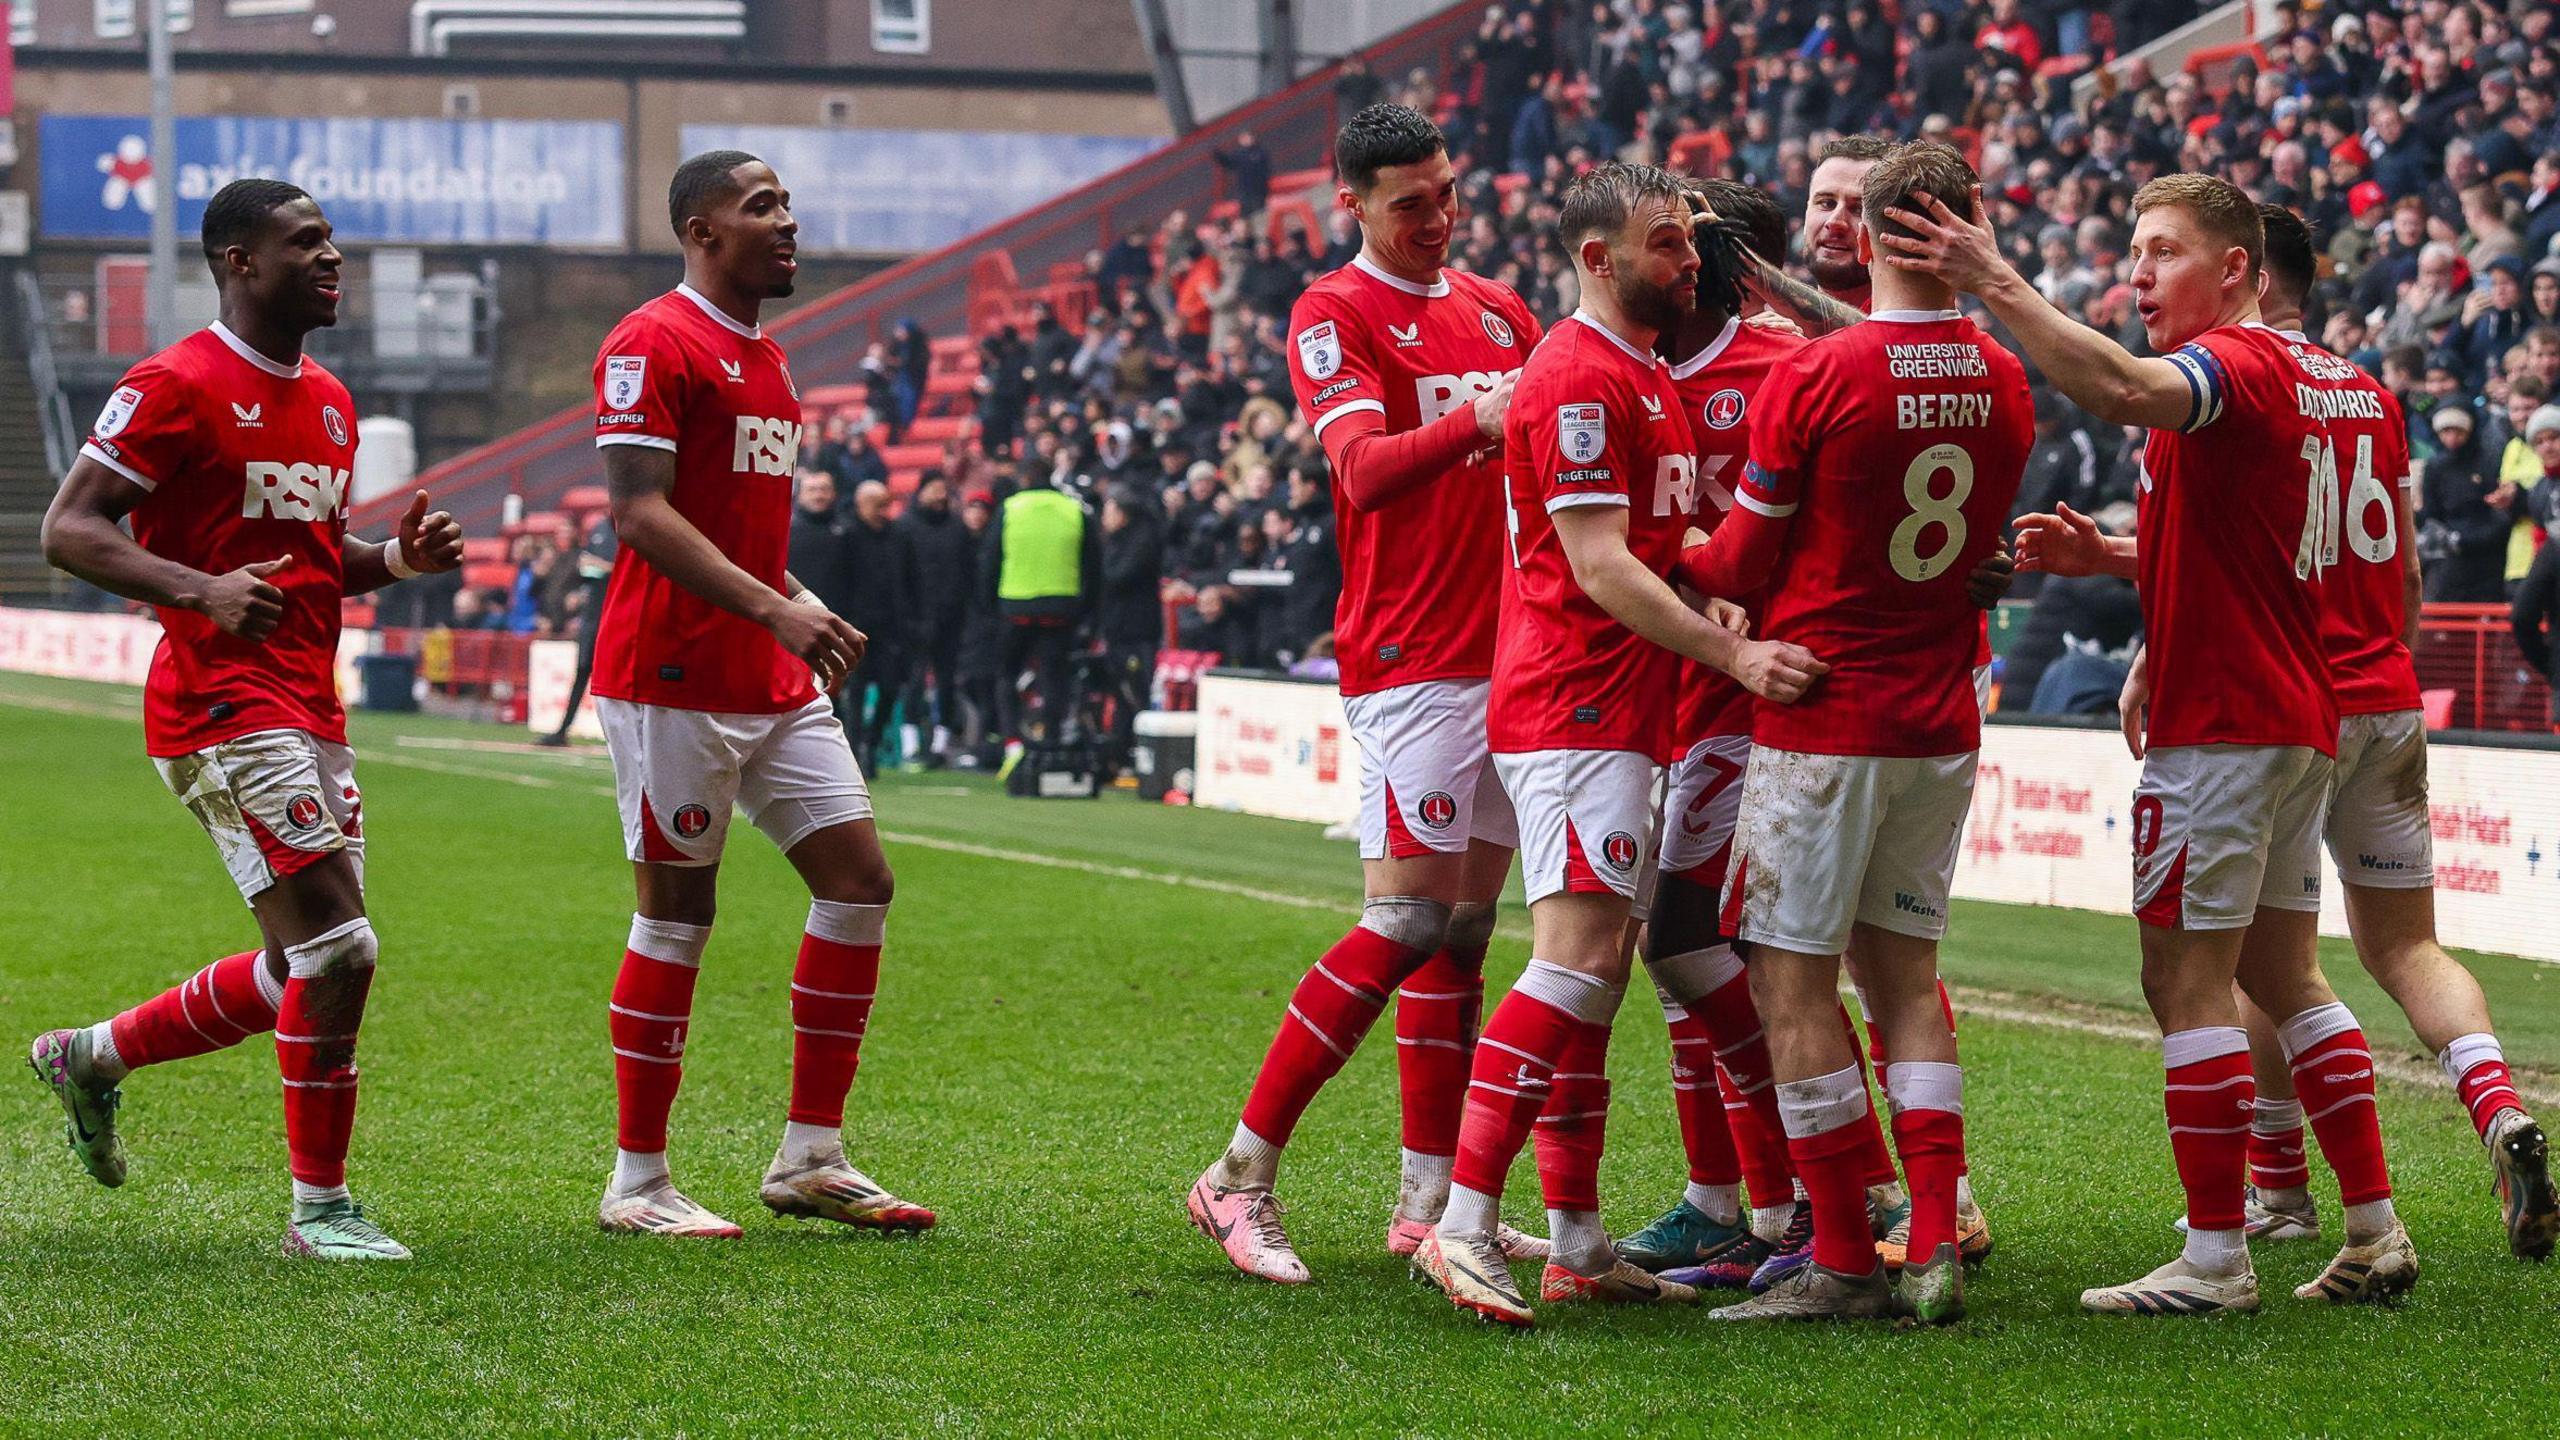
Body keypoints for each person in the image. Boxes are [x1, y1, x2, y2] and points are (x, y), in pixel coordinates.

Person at [1888, 172, 2413, 1313]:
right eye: (2131, 250)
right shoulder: (2262, 385)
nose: (2137, 272)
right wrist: (2115, 559)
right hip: (2287, 720)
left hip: (2221, 728)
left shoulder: (2234, 362)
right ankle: (2373, 1228)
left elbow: (2114, 386)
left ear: (2235, 271)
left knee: (2182, 980)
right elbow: (2241, 547)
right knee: (2281, 975)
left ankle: (2216, 1258)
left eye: (2162, 251)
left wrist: (1991, 279)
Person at [1421, 160, 1826, 1328]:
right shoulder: (1581, 377)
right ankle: (1458, 1226)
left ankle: (1578, 1239)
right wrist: (1732, 653)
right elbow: (1599, 565)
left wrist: (1711, 578)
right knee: (1576, 962)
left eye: (1692, 244)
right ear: (1598, 258)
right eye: (1666, 243)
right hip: (1573, 706)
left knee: (1593, 979)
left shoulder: (1639, 373)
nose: (1689, 261)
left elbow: (1668, 531)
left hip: (1620, 710)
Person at [28, 178, 464, 1260]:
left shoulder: (330, 399)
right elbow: (68, 529)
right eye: (305, 242)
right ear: (237, 260)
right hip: (221, 699)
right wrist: (198, 588)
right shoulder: (173, 382)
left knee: (305, 963)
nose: (332, 259)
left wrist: (398, 561)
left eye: (332, 242)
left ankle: (90, 1056)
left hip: (310, 701)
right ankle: (320, 1214)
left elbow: (314, 566)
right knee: (342, 948)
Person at [1186, 104, 1551, 1287]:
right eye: (1409, 202)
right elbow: (1361, 470)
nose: (1437, 217)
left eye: (1446, 192)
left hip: (1512, 656)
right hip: (1410, 657)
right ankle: (1237, 1176)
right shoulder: (1330, 313)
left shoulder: (1502, 310)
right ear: (1351, 202)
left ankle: (1427, 1204)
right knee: (1401, 921)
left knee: (1463, 937)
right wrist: (1476, 421)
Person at [1689, 142, 2031, 1325]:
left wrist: (1647, 541)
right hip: (1941, 716)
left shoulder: (1816, 379)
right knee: (1908, 983)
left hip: (1826, 713)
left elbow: (1735, 561)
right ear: (1963, 230)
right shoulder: (2004, 375)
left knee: (1790, 989)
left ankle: (1839, 1259)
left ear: (1877, 233)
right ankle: (1930, 1229)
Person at [587, 150, 931, 1239]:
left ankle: (809, 1156)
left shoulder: (770, 362)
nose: (788, 223)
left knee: (859, 881)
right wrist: (776, 610)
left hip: (766, 672)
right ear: (700, 229)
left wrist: (798, 597)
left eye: (786, 204)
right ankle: (637, 1183)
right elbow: (639, 513)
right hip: (671, 677)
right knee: (679, 911)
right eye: (761, 207)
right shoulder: (652, 341)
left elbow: (733, 528)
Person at [2222, 205, 2553, 1261]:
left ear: (2248, 273)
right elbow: (2403, 568)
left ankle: (2282, 1191)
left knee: (2257, 961)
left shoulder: (2242, 384)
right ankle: (2498, 1107)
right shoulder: (2369, 392)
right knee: (2407, 942)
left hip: (2292, 702)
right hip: (2387, 692)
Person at [980, 473, 1100, 752]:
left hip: (1014, 604)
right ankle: (1052, 739)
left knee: (1007, 673)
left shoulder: (1011, 508)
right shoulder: (1073, 509)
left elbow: (990, 559)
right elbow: (1092, 566)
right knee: (1053, 676)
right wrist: (1084, 611)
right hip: (1060, 607)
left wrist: (990, 607)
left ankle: (1012, 740)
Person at [895, 470, 975, 767]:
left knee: (947, 681)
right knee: (914, 681)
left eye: (944, 489)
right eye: (935, 489)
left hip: (950, 618)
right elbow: (899, 577)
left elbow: (968, 572)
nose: (940, 495)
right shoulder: (905, 527)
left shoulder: (957, 528)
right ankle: (910, 744)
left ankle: (942, 744)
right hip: (915, 619)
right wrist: (906, 616)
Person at [842, 478, 916, 767]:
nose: (883, 510)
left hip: (890, 626)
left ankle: (871, 742)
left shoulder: (899, 536)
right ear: (861, 504)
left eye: (886, 504)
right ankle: (856, 750)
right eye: (878, 505)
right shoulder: (847, 534)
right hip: (855, 624)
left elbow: (911, 578)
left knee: (890, 687)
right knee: (856, 688)